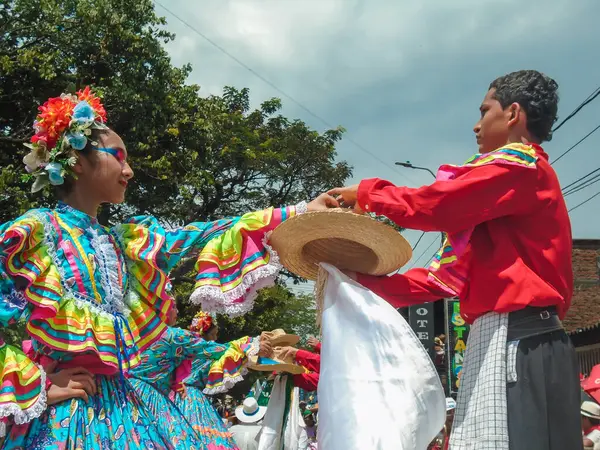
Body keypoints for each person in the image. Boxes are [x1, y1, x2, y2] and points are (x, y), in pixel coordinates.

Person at [0, 87, 337, 449]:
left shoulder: (127, 241)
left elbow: (201, 234)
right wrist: (38, 386)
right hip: (68, 419)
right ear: (77, 161)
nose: (128, 170)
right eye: (118, 156)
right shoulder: (33, 232)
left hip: (131, 408)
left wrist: (299, 212)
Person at [330, 70, 580, 450]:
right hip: (507, 335)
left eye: (485, 111)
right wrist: (360, 283)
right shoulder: (503, 190)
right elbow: (439, 281)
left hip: (518, 335)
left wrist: (368, 194)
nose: (477, 125)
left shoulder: (520, 168)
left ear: (512, 114)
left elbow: (439, 204)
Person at [128, 306, 268, 448]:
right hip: (166, 396)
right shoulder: (174, 336)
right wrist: (252, 346)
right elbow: (216, 350)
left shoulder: (136, 332)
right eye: (173, 306)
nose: (177, 311)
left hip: (127, 391)